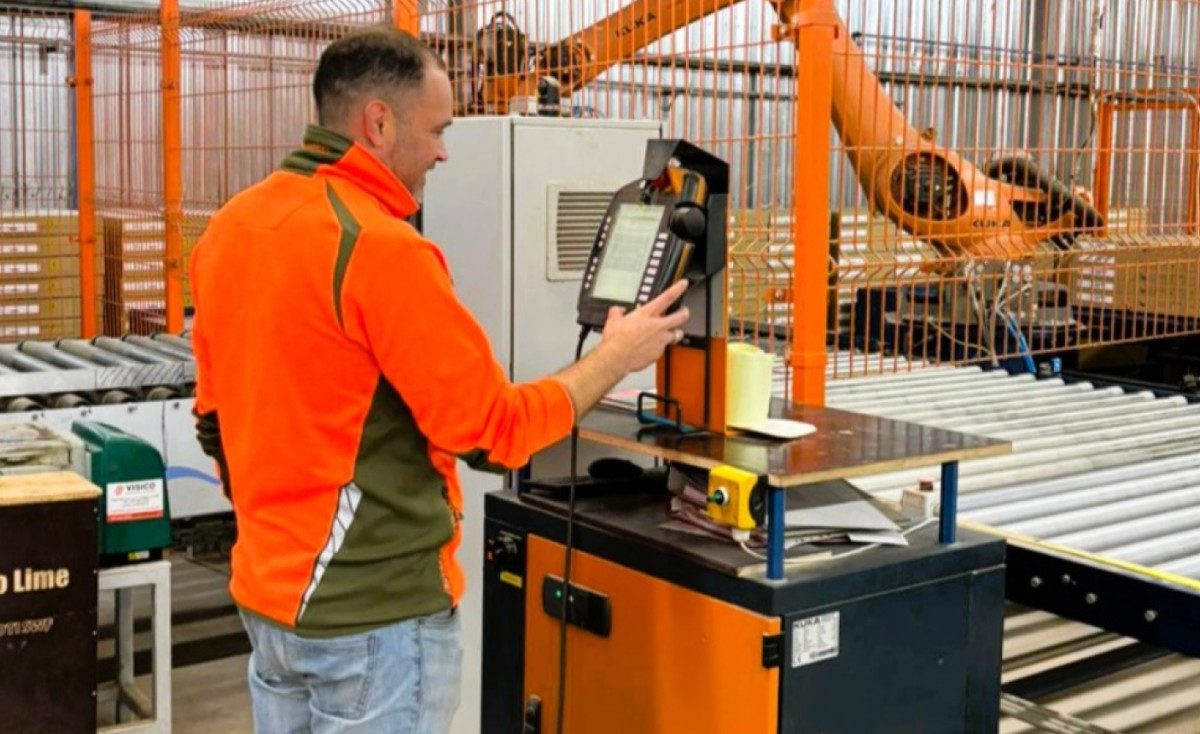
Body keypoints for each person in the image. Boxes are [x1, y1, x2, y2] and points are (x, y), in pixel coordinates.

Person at [188, 26, 689, 734]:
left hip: (269, 606)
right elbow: (496, 432)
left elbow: (212, 420)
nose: (445, 152)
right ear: (379, 124)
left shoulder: (231, 228)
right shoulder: (381, 250)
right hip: (375, 622)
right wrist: (617, 355)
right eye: (438, 130)